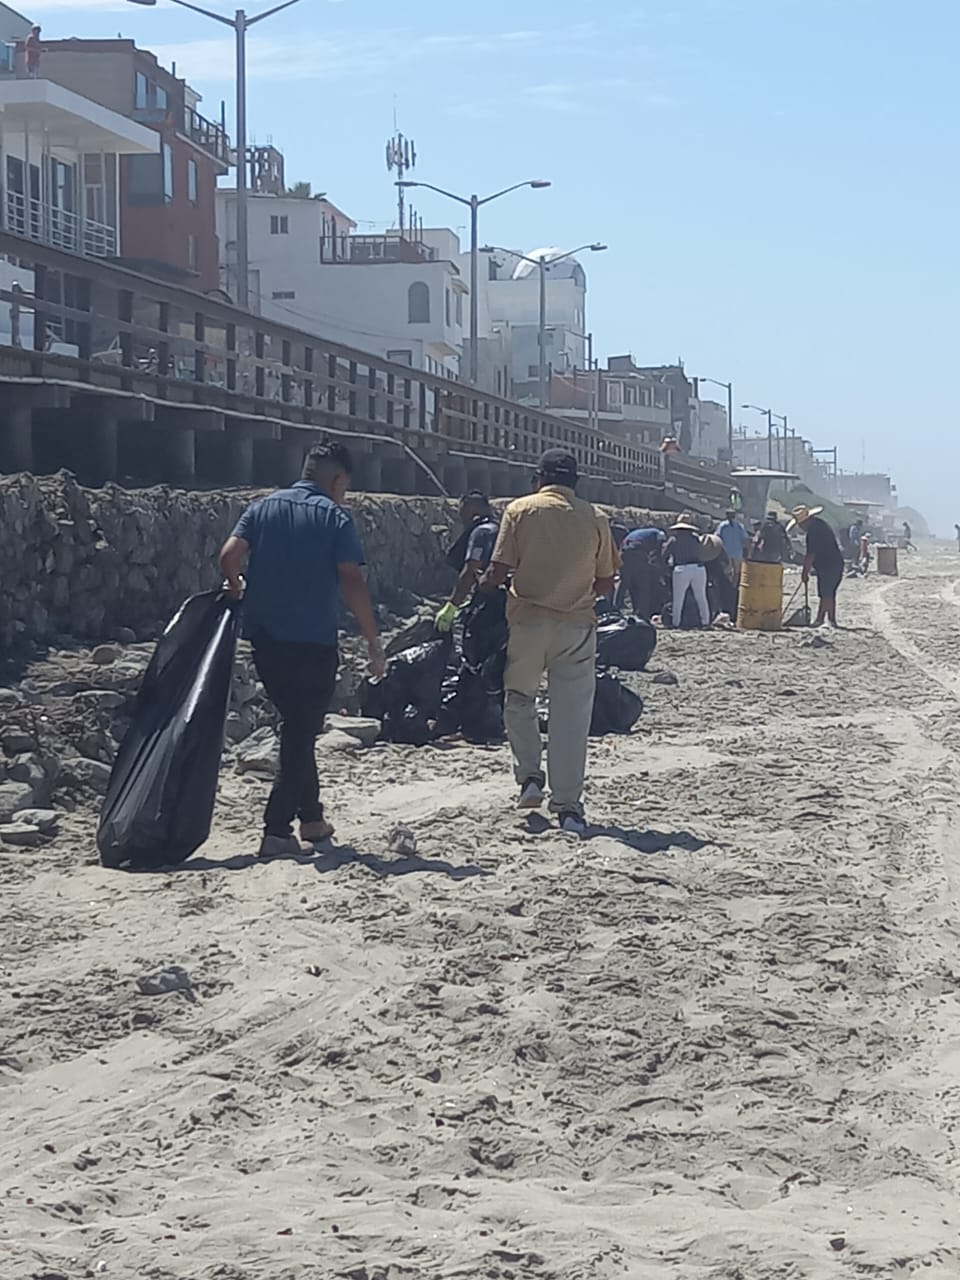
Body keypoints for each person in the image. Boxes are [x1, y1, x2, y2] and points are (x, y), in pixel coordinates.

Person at [219, 441, 385, 858]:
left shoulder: (263, 508)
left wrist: (237, 585)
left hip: (266, 639)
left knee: (296, 725)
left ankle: (312, 817)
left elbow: (228, 555)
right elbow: (351, 581)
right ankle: (276, 830)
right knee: (299, 730)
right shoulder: (335, 517)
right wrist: (372, 640)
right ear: (337, 479)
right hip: (312, 640)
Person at [480, 449, 617, 836]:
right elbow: (606, 581)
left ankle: (529, 779)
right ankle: (569, 807)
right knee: (570, 718)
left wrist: (483, 590)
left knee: (519, 698)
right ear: (575, 482)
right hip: (575, 626)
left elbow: (498, 568)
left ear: (538, 478)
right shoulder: (596, 517)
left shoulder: (519, 511)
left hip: (527, 622)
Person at [435, 492, 499, 632]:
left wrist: (451, 606)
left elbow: (471, 570)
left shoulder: (482, 533)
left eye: (462, 512)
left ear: (471, 509)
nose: (462, 519)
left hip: (491, 603)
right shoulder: (498, 528)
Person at [788, 504, 844, 628]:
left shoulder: (814, 531)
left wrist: (805, 572)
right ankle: (830, 620)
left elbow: (810, 554)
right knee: (829, 593)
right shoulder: (819, 524)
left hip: (828, 565)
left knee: (826, 593)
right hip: (834, 563)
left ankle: (821, 619)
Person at [664, 513, 709, 628]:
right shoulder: (695, 539)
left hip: (682, 568)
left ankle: (676, 623)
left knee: (678, 598)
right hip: (699, 568)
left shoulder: (674, 539)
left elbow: (664, 554)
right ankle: (705, 622)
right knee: (701, 597)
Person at [616, 526, 664, 619]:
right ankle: (642, 613)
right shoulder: (659, 534)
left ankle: (615, 608)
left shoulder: (638, 533)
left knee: (625, 582)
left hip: (623, 554)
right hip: (637, 554)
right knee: (643, 585)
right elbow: (658, 552)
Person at [716, 510, 749, 582]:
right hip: (727, 553)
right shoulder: (723, 526)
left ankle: (733, 588)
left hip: (735, 553)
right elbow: (718, 537)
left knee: (736, 572)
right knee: (729, 572)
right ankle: (729, 586)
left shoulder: (739, 526)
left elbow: (745, 539)